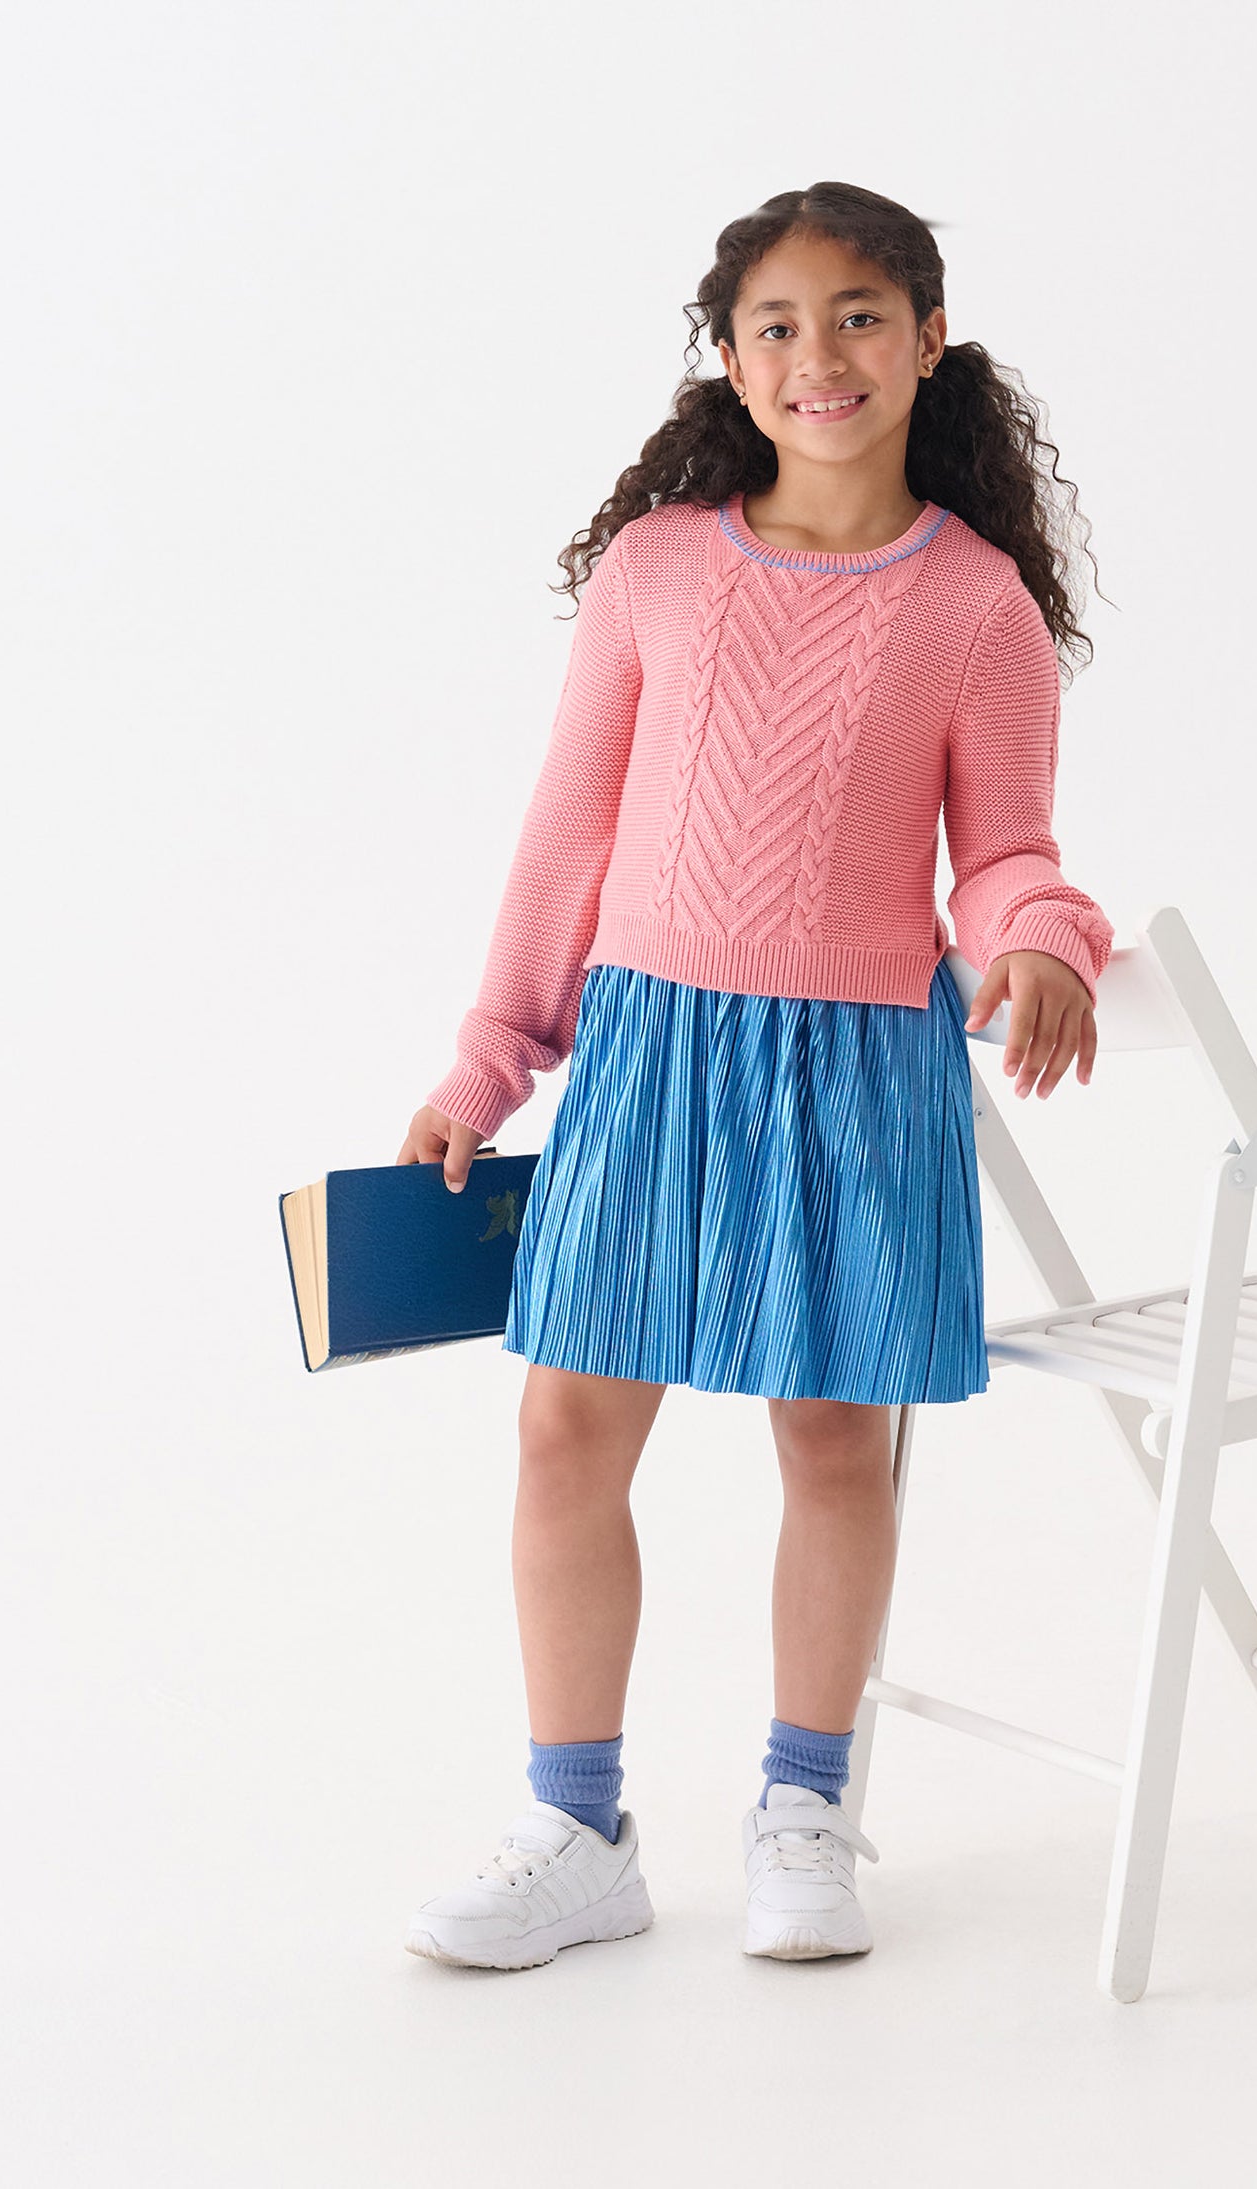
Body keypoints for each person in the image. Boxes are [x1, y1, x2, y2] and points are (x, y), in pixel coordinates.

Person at [397, 180, 1114, 1972]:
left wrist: (1041, 938)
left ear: (928, 338)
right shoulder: (655, 574)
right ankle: (575, 1826)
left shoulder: (977, 607)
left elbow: (1004, 852)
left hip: (855, 1068)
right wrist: (488, 1064)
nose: (820, 355)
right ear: (729, 359)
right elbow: (567, 837)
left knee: (833, 1441)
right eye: (777, 325)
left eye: (858, 315)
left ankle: (806, 1805)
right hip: (646, 1054)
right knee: (565, 1428)